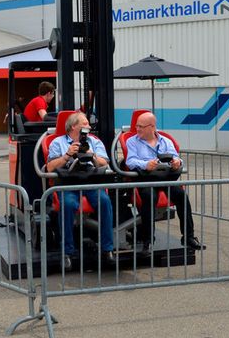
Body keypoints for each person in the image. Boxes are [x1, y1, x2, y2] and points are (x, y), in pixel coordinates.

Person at [125, 112, 205, 253]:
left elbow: (176, 157)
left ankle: (188, 237)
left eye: (141, 127)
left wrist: (176, 162)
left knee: (181, 196)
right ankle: (148, 240)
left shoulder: (165, 141)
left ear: (152, 127)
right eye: (136, 126)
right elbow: (130, 161)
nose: (137, 129)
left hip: (165, 178)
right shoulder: (132, 141)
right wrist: (145, 165)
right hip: (147, 180)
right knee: (150, 197)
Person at [46, 112, 115, 269]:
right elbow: (50, 167)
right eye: (85, 124)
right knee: (68, 205)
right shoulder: (58, 142)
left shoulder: (94, 142)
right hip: (68, 183)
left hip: (90, 181)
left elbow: (105, 163)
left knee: (104, 202)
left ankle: (107, 250)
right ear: (73, 127)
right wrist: (67, 155)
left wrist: (92, 156)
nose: (89, 127)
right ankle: (67, 252)